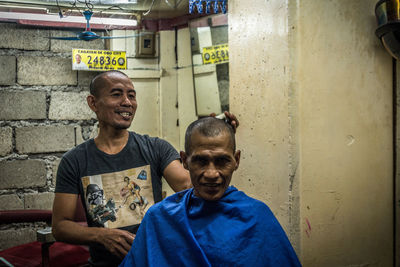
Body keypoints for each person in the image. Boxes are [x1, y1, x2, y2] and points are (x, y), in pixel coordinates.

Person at [52, 70, 238, 267]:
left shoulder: (155, 148)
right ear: (93, 103)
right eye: (116, 94)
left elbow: (188, 186)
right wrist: (102, 236)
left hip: (153, 260)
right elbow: (60, 226)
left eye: (131, 95)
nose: (127, 102)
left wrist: (214, 139)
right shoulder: (74, 161)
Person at [120, 117, 301, 267]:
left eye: (222, 161)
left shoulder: (257, 217)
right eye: (201, 161)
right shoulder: (159, 218)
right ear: (184, 160)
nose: (212, 174)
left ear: (236, 160)